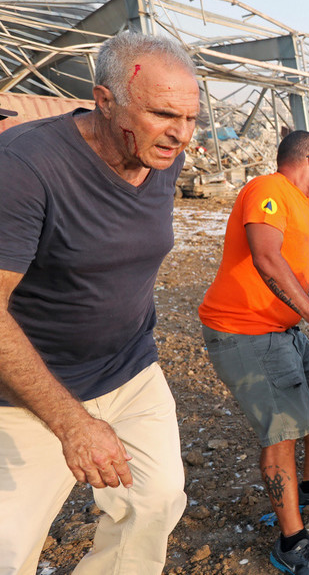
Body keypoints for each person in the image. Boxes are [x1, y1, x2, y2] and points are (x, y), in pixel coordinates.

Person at [0, 32, 198, 574]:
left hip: (130, 371)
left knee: (154, 506)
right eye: (162, 114)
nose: (180, 135)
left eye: (190, 118)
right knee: (8, 548)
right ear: (105, 101)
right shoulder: (23, 167)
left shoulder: (161, 157)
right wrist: (72, 424)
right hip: (29, 393)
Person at [198, 131, 309, 575]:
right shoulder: (268, 190)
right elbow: (266, 257)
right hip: (245, 331)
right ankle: (292, 543)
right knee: (283, 430)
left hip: (282, 328)